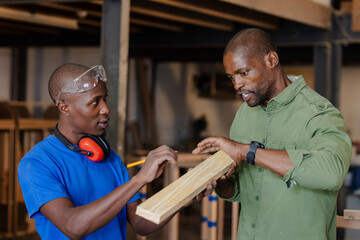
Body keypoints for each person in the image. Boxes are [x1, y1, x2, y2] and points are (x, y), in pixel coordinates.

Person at [192, 28, 352, 240]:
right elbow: (241, 190)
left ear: (271, 60)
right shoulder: (244, 116)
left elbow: (331, 173)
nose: (237, 85)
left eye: (243, 72)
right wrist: (218, 182)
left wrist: (247, 151)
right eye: (231, 77)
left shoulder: (319, 113)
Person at [18, 63, 180, 240]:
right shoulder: (37, 163)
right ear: (65, 108)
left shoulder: (109, 158)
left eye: (105, 99)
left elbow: (140, 222)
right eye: (95, 102)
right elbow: (73, 226)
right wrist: (139, 179)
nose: (106, 109)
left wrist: (182, 195)